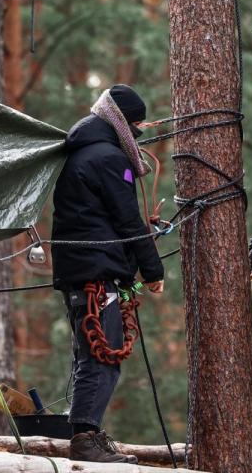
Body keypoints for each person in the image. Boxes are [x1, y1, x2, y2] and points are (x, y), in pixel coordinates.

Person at [51, 84, 165, 464]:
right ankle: (85, 439)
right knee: (103, 356)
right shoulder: (109, 159)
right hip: (95, 274)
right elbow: (128, 220)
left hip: (81, 271)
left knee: (91, 355)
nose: (138, 136)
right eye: (136, 128)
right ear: (124, 123)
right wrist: (152, 269)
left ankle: (88, 433)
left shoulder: (83, 152)